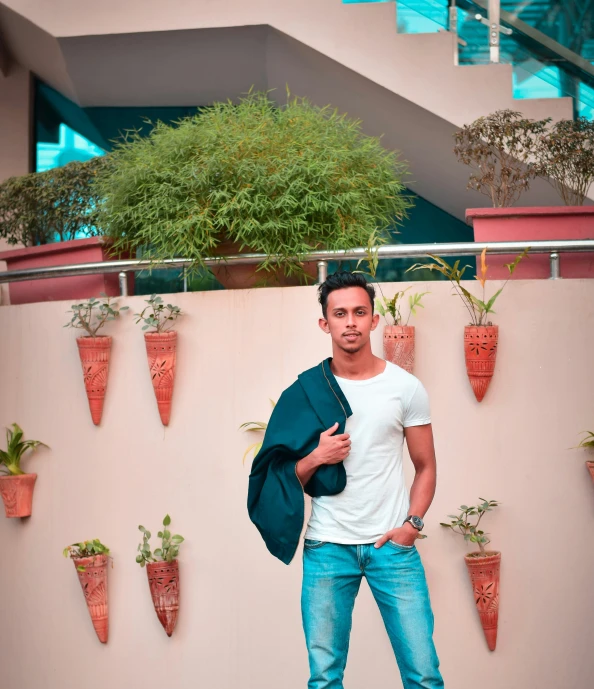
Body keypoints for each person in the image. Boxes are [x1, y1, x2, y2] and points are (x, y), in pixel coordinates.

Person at [247, 271, 444, 689]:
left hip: (392, 548)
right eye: (340, 314)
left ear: (374, 320)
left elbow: (425, 466)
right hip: (327, 548)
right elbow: (281, 476)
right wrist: (316, 456)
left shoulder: (405, 388)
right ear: (325, 323)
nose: (350, 321)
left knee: (424, 676)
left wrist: (412, 526)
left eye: (359, 312)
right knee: (324, 679)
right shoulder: (303, 392)